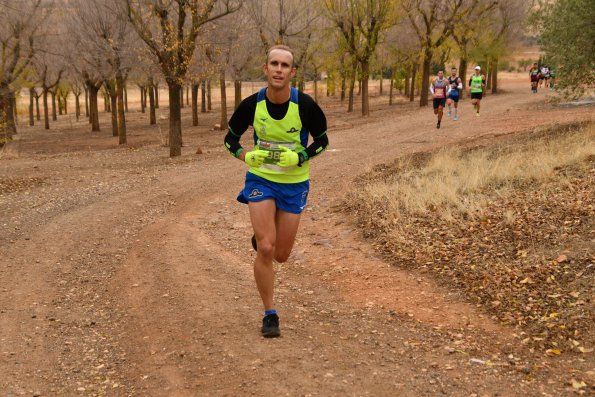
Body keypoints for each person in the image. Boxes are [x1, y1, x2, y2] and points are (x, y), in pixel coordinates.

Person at [223, 44, 329, 338]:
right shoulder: (250, 105)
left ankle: (263, 241)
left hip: (294, 183)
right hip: (261, 179)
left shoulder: (305, 105)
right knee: (267, 247)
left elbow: (322, 141)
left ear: (292, 72)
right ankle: (270, 314)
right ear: (265, 69)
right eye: (274, 64)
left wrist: (301, 156)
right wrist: (246, 156)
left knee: (281, 254)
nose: (279, 69)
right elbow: (230, 140)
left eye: (285, 65)